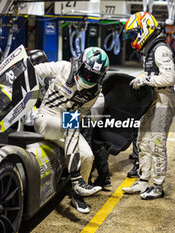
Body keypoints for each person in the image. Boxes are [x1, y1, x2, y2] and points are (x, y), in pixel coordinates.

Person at [33, 47, 109, 213]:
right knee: (71, 126)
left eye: (94, 76)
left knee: (88, 156)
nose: (89, 78)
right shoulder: (64, 67)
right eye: (88, 73)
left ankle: (77, 195)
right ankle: (77, 180)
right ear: (80, 64)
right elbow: (34, 71)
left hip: (67, 126)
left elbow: (80, 114)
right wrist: (35, 95)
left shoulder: (95, 91)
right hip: (45, 118)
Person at [121, 12, 175, 200]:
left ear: (144, 29)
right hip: (153, 97)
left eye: (134, 33)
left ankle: (158, 187)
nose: (133, 38)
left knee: (158, 143)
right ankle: (143, 181)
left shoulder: (160, 49)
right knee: (143, 140)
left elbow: (169, 78)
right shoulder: (149, 48)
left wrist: (145, 80)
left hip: (164, 97)